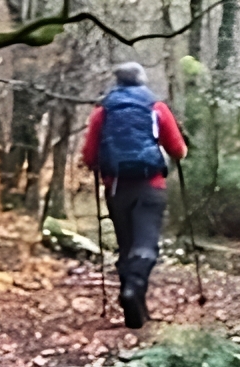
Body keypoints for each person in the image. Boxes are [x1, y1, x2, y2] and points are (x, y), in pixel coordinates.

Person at [80, 62, 187, 329]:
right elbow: (178, 149)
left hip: (116, 187)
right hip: (150, 186)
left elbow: (89, 156)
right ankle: (133, 291)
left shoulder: (103, 111)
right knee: (146, 247)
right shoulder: (156, 107)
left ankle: (135, 310)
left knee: (127, 247)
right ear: (142, 81)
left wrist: (102, 166)